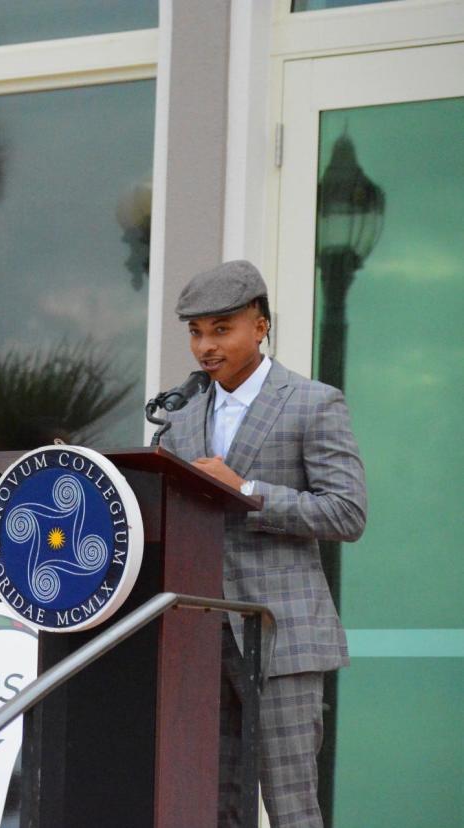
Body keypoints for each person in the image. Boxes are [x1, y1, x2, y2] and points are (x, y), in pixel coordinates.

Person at [160, 260, 367, 828]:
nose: (205, 346)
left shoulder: (312, 402)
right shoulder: (179, 417)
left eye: (221, 329)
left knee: (292, 807)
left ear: (261, 325)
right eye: (195, 332)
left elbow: (347, 513)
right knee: (211, 806)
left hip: (283, 634)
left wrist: (248, 491)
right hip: (200, 634)